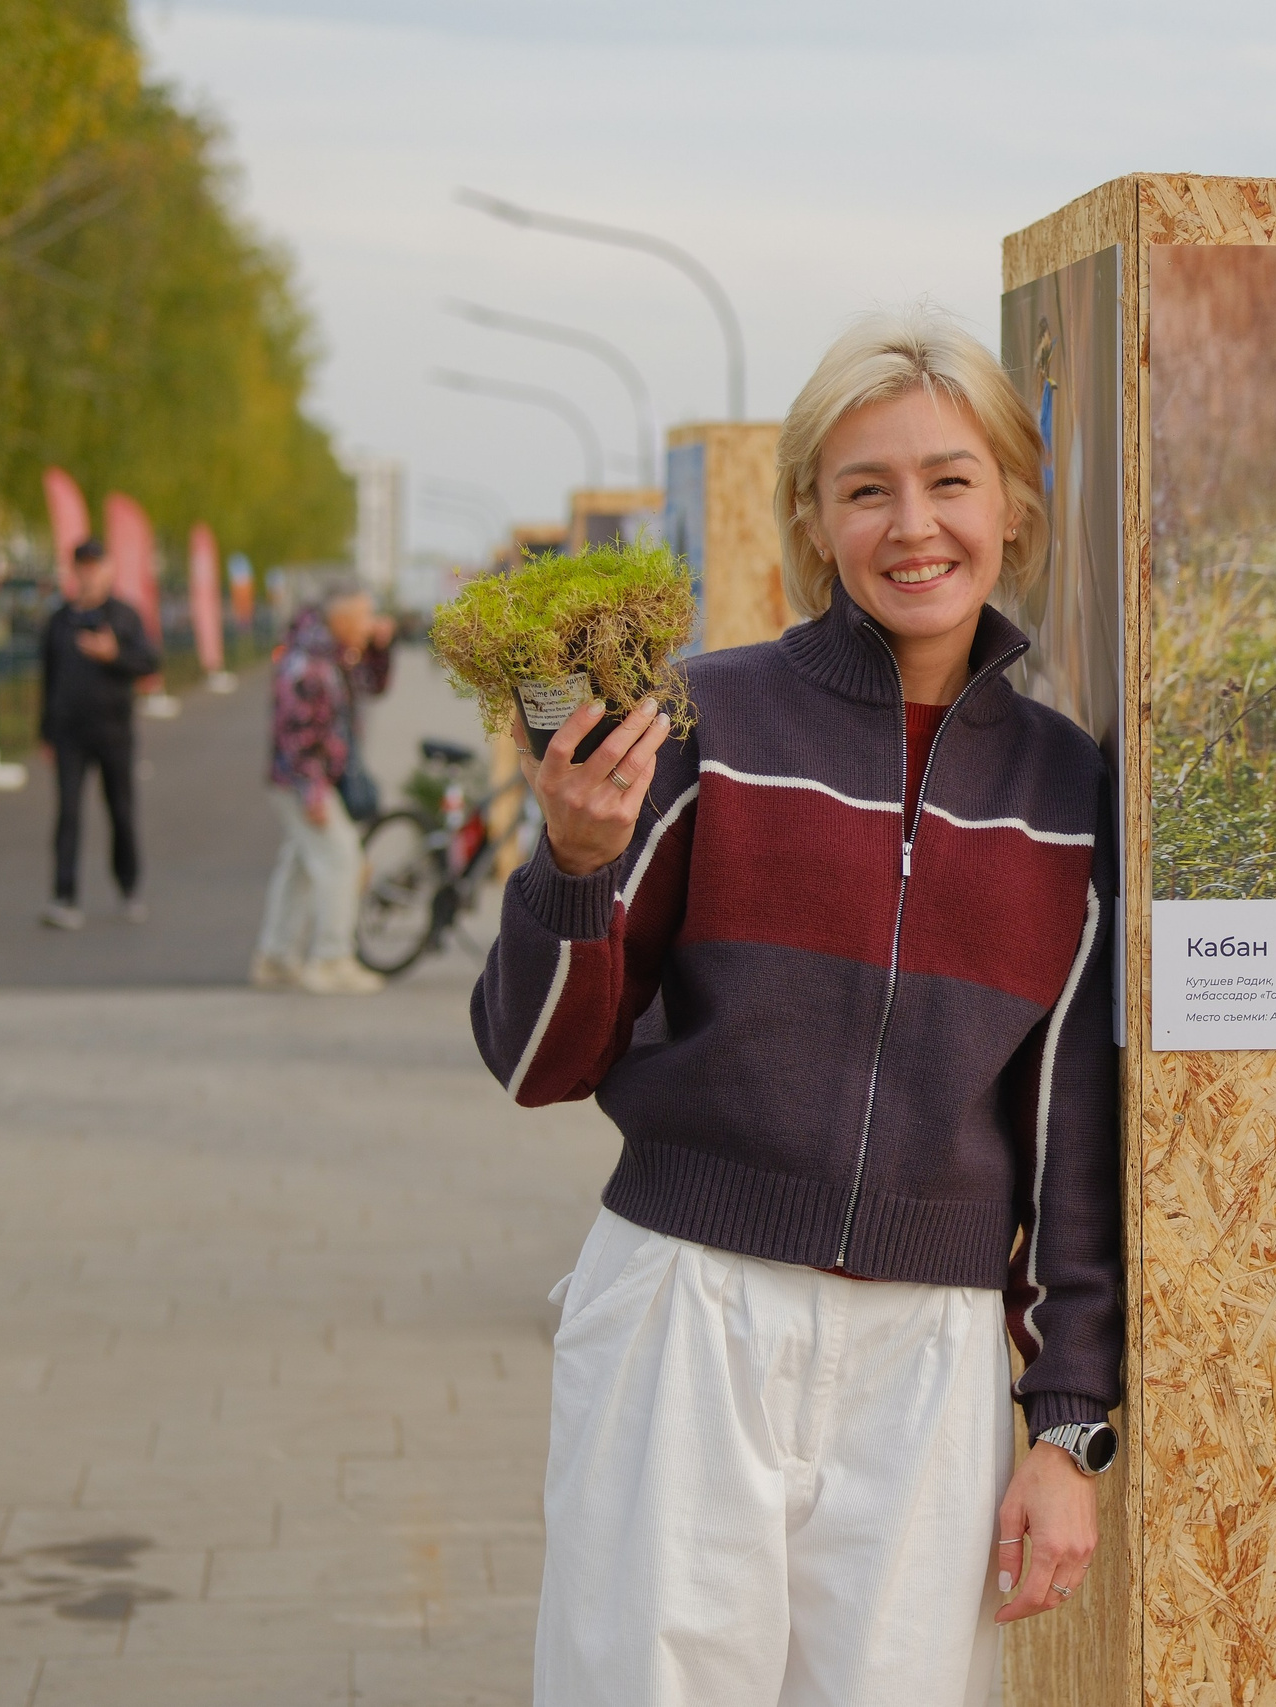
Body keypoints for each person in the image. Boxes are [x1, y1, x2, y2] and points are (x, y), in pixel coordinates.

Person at [471, 307, 1121, 1707]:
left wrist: (1067, 1427)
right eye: (866, 488)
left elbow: (1071, 1134)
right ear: (816, 524)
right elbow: (536, 1058)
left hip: (931, 1353)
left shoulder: (1070, 794)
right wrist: (574, 868)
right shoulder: (703, 722)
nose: (914, 524)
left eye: (951, 479)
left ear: (1013, 500)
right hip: (683, 1313)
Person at [252, 580, 395, 994]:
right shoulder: (311, 663)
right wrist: (312, 792)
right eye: (365, 616)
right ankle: (331, 960)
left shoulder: (330, 652)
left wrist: (380, 649)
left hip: (299, 781)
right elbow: (298, 734)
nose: (370, 625)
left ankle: (276, 956)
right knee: (341, 858)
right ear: (344, 618)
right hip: (302, 782)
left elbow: (373, 685)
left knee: (299, 864)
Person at [39, 537, 159, 930]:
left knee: (121, 812)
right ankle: (65, 896)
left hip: (114, 731)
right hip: (70, 734)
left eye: (95, 564)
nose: (88, 573)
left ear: (107, 568)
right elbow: (48, 678)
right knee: (68, 815)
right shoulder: (59, 620)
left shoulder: (124, 616)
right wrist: (45, 731)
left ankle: (129, 887)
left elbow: (149, 662)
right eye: (82, 565)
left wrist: (114, 655)